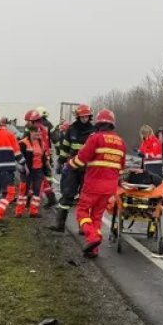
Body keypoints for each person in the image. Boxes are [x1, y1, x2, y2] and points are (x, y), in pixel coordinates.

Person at [68, 109, 127, 258]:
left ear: (98, 123)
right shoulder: (121, 142)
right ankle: (94, 249)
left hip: (93, 183)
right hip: (110, 187)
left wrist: (69, 165)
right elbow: (121, 168)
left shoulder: (95, 138)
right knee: (97, 216)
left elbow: (81, 158)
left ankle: (92, 237)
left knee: (82, 212)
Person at [52, 104, 96, 232]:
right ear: (78, 117)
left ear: (90, 116)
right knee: (67, 195)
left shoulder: (94, 131)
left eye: (86, 116)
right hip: (72, 167)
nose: (84, 118)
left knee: (85, 198)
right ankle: (60, 225)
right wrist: (60, 162)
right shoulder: (71, 129)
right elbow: (65, 148)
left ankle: (83, 227)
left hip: (88, 169)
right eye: (82, 116)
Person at [16, 110, 51, 218]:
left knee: (37, 191)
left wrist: (47, 166)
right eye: (37, 133)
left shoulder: (41, 143)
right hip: (27, 170)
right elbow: (18, 156)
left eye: (40, 133)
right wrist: (23, 167)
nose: (39, 135)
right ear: (31, 133)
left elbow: (43, 156)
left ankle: (34, 211)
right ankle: (19, 211)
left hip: (38, 170)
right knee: (23, 191)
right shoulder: (23, 143)